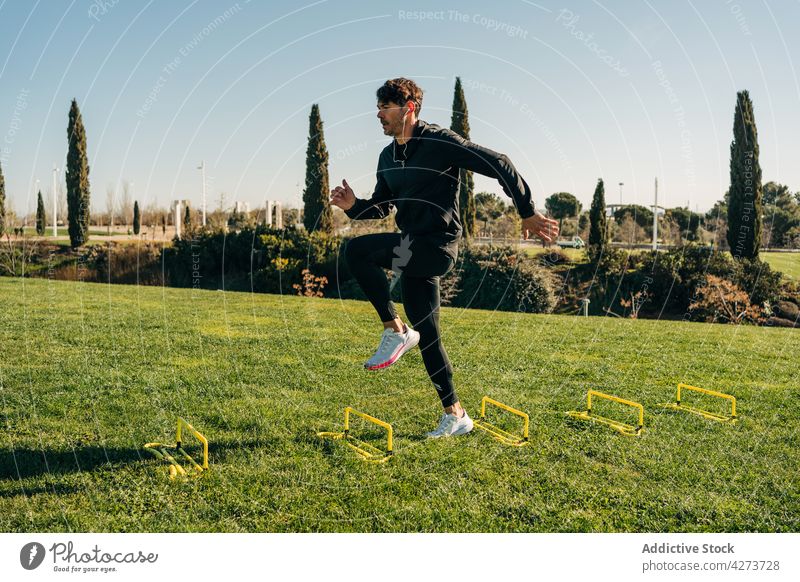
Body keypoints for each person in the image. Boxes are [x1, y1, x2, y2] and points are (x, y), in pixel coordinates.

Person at [330, 78, 559, 438]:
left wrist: (527, 211)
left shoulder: (439, 141)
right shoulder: (387, 156)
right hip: (411, 248)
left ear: (408, 109)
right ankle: (456, 415)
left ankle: (396, 330)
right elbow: (382, 206)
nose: (378, 114)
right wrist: (353, 206)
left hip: (438, 246)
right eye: (378, 107)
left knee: (356, 250)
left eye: (385, 108)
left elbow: (500, 162)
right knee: (431, 339)